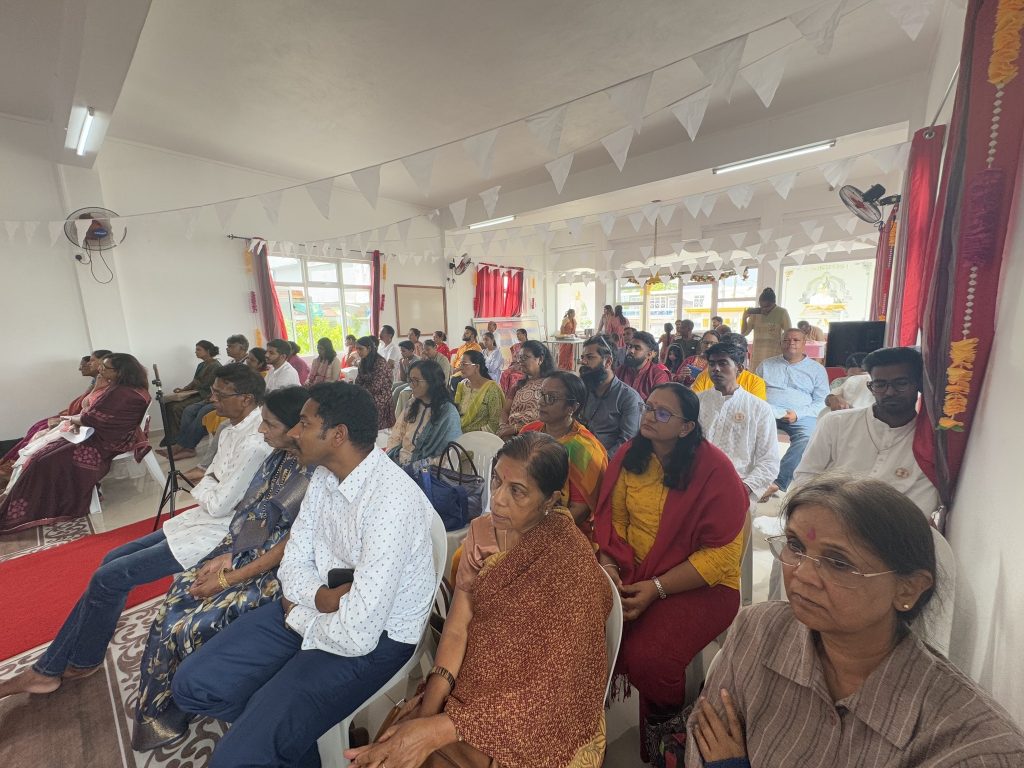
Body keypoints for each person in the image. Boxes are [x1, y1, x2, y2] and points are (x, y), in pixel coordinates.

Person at [171, 382, 437, 767]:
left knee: (234, 759)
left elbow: (358, 634)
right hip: (318, 606)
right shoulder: (326, 475)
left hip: (377, 639)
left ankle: (271, 732)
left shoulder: (390, 503)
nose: (294, 432)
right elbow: (294, 557)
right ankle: (282, 737)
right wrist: (316, 598)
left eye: (305, 423)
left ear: (337, 435)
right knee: (192, 685)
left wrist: (297, 611)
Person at [684, 474, 1024, 768]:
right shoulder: (757, 631)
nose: (802, 575)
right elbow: (703, 739)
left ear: (908, 588)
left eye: (839, 562)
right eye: (795, 545)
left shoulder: (974, 746)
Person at [0, 364, 269, 700]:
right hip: (199, 519)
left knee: (109, 577)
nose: (211, 398)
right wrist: (208, 486)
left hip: (220, 533)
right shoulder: (230, 431)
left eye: (219, 394)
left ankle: (50, 670)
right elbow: (208, 478)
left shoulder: (256, 441)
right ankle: (80, 659)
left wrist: (205, 487)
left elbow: (217, 502)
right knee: (111, 559)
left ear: (245, 399)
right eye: (213, 391)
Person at [346, 432, 611, 768]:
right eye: (497, 480)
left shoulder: (569, 560)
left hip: (535, 714)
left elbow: (555, 684)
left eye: (517, 491)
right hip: (472, 686)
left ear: (550, 500)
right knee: (396, 747)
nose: (497, 499)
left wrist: (436, 731)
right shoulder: (483, 531)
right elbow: (458, 629)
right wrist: (428, 712)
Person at [132, 387, 314, 751]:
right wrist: (229, 551)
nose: (261, 430)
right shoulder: (279, 458)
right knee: (180, 592)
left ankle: (190, 696)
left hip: (279, 571)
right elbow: (251, 510)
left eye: (269, 424)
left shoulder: (314, 472)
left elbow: (291, 544)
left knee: (193, 622)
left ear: (296, 427)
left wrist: (230, 578)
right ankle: (164, 705)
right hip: (247, 551)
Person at [594, 383, 748, 762]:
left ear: (686, 427)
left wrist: (656, 588)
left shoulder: (714, 470)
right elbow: (614, 525)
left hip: (702, 584)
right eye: (648, 407)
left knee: (650, 657)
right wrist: (611, 570)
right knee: (576, 623)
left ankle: (670, 736)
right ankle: (580, 729)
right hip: (634, 572)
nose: (649, 416)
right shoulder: (631, 456)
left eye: (663, 413)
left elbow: (723, 556)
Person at [0, 353, 148, 533]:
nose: (100, 370)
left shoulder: (121, 393)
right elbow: (92, 414)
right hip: (102, 436)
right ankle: (20, 501)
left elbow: (89, 418)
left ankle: (37, 509)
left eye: (105, 368)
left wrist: (71, 420)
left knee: (44, 460)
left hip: (105, 442)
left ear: (119, 371)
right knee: (41, 453)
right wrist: (76, 418)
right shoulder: (131, 388)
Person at [794, 347, 940, 521]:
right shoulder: (836, 423)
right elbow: (805, 476)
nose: (890, 392)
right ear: (871, 387)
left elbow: (918, 511)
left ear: (919, 384)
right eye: (880, 384)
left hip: (888, 531)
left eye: (901, 383)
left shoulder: (928, 442)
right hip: (827, 519)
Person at [520, 371, 608, 536]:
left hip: (565, 530)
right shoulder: (528, 432)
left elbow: (579, 511)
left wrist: (539, 533)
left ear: (572, 407)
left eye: (551, 398)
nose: (541, 402)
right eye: (541, 394)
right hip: (522, 518)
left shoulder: (585, 449)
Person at [0, 350, 111, 476]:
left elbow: (88, 408)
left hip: (84, 423)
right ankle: (11, 462)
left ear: (103, 362)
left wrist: (68, 418)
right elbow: (83, 404)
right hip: (79, 418)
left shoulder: (106, 385)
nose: (85, 365)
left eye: (92, 360)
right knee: (38, 427)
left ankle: (14, 464)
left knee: (41, 433)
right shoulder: (98, 381)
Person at [697, 343, 780, 508]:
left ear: (739, 368)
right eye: (712, 364)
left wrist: (744, 489)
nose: (716, 369)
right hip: (696, 483)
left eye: (723, 363)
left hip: (738, 485)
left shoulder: (758, 408)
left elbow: (769, 461)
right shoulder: (697, 402)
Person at [758, 328, 829, 498]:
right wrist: (771, 410)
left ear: (804, 343)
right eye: (787, 340)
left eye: (796, 340)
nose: (791, 343)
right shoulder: (766, 365)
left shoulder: (817, 369)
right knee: (746, 428)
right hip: (767, 411)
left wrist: (797, 413)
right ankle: (750, 476)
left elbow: (822, 401)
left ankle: (777, 482)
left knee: (807, 437)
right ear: (780, 343)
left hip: (801, 415)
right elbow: (755, 393)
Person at [162, 334, 257, 460]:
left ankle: (187, 447)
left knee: (202, 412)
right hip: (218, 396)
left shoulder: (248, 364)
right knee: (189, 410)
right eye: (227, 346)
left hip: (230, 399)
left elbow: (237, 387)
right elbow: (219, 382)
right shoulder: (229, 362)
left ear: (242, 348)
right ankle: (183, 445)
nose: (227, 348)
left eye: (231, 346)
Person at [386, 359, 462, 466]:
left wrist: (416, 467)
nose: (411, 385)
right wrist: (391, 458)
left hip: (428, 469)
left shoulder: (448, 413)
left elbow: (449, 456)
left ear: (432, 382)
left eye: (416, 381)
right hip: (400, 462)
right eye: (410, 380)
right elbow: (396, 435)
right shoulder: (412, 404)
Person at [578, 334, 643, 458]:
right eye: (582, 357)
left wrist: (599, 462)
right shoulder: (584, 390)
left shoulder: (629, 398)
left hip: (607, 462)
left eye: (590, 357)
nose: (583, 362)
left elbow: (627, 442)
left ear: (608, 362)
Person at [161, 340, 222, 440]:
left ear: (207, 351)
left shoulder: (215, 366)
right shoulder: (201, 365)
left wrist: (188, 390)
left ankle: (182, 438)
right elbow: (195, 381)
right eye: (196, 349)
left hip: (205, 395)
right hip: (198, 392)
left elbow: (205, 385)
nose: (195, 352)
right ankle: (172, 436)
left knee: (177, 408)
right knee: (168, 405)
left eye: (198, 349)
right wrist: (183, 390)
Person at [497, 340, 554, 439]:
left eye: (525, 358)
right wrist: (503, 427)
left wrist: (517, 428)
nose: (520, 361)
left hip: (535, 436)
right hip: (510, 435)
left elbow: (552, 416)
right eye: (519, 357)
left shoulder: (552, 385)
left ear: (540, 359)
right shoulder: (518, 385)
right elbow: (505, 411)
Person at [691, 333, 766, 399]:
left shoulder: (755, 382)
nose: (733, 355)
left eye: (737, 352)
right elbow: (695, 403)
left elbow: (754, 407)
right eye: (726, 350)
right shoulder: (704, 376)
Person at [454, 350, 505, 434]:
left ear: (477, 367)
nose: (460, 368)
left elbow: (494, 423)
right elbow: (455, 414)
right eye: (460, 364)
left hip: (481, 437)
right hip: (459, 434)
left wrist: (473, 435)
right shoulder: (461, 386)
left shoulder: (491, 388)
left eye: (464, 364)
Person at [742, 287, 792, 371]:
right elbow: (744, 333)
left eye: (767, 306)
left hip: (774, 352)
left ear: (774, 303)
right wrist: (744, 318)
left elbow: (789, 332)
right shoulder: (756, 313)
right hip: (757, 354)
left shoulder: (782, 312)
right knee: (757, 375)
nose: (764, 309)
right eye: (761, 306)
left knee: (773, 374)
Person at [355, 335, 397, 430]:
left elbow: (375, 387)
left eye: (360, 349)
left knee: (364, 405)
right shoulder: (363, 362)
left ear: (369, 348)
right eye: (357, 349)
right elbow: (358, 381)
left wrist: (361, 392)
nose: (358, 352)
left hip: (381, 396)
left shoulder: (380, 362)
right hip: (367, 393)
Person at [616, 330, 671, 400]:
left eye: (637, 348)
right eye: (630, 346)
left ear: (649, 354)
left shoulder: (658, 376)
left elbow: (658, 404)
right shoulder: (619, 371)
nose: (631, 351)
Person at [498, 328, 528, 396]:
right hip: (516, 365)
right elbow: (514, 358)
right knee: (504, 374)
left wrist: (521, 363)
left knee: (513, 377)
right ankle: (505, 395)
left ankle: (514, 395)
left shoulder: (530, 345)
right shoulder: (515, 346)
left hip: (526, 366)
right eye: (516, 334)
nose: (517, 336)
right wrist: (516, 363)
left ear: (524, 334)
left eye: (519, 334)